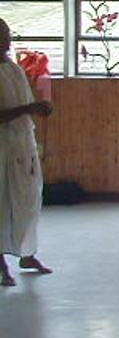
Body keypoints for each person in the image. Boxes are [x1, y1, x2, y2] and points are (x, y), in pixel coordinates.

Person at [0, 19, 53, 287]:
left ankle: (27, 254)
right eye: (3, 35)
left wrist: (37, 107)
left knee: (29, 200)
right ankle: (2, 266)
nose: (7, 39)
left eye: (7, 34)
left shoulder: (13, 68)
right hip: (3, 148)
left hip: (23, 143)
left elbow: (23, 102)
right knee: (2, 205)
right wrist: (30, 109)